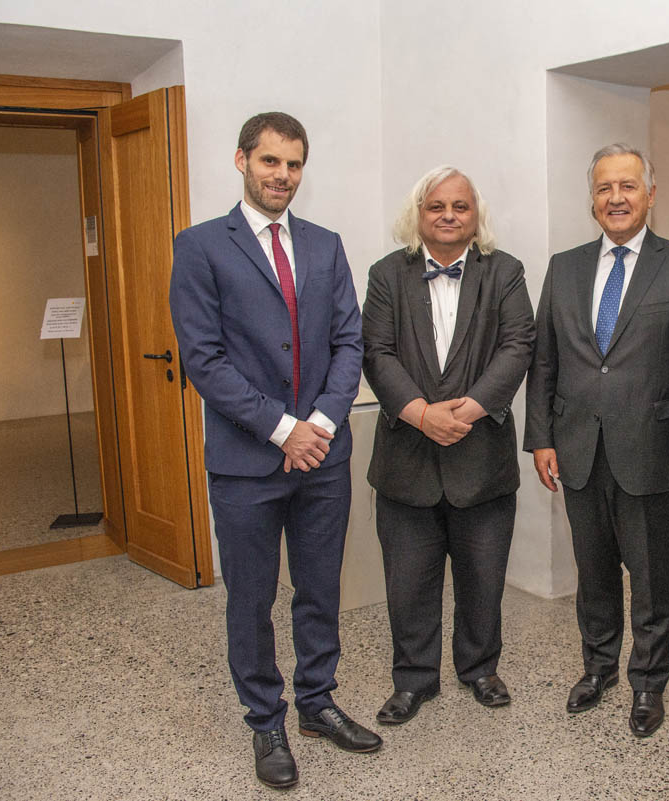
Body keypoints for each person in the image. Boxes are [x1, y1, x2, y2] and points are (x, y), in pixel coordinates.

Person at [169, 112, 377, 789]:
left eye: (293, 164)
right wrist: (284, 429)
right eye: (270, 162)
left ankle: (317, 702)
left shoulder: (325, 243)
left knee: (319, 589)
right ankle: (266, 718)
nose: (283, 176)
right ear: (241, 161)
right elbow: (204, 359)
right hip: (245, 464)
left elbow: (350, 341)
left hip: (324, 459)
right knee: (251, 599)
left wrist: (318, 421)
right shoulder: (201, 247)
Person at [525, 143, 669, 738]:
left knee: (652, 575)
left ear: (650, 195)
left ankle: (648, 682)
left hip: (653, 451)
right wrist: (541, 438)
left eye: (628, 186)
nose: (616, 197)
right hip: (578, 448)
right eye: (605, 187)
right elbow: (545, 360)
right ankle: (599, 667)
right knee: (595, 568)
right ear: (592, 198)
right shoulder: (566, 266)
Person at [362, 166, 535, 726]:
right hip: (406, 462)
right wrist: (418, 413)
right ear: (419, 213)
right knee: (408, 583)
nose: (449, 215)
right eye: (437, 205)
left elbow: (518, 345)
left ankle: (480, 669)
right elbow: (377, 352)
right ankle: (413, 680)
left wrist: (470, 408)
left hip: (480, 458)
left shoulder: (505, 272)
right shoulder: (387, 275)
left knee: (483, 579)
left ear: (475, 214)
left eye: (460, 206)